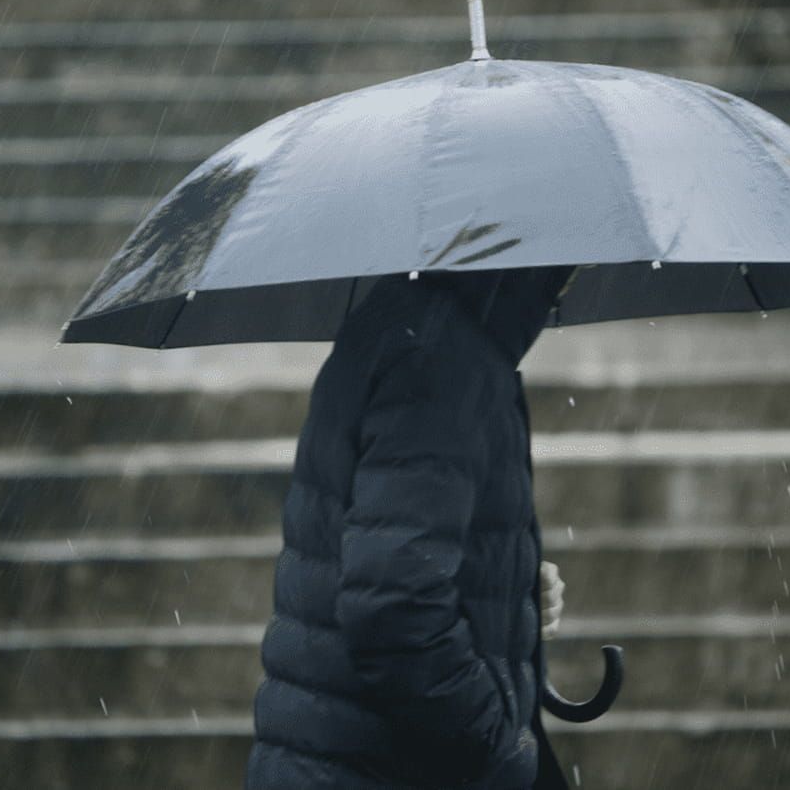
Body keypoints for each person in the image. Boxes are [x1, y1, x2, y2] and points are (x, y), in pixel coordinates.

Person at [246, 264, 578, 789]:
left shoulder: (419, 325)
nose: (580, 270)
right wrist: (495, 746)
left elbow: (392, 549)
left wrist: (507, 588)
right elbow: (394, 605)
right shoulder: (443, 357)